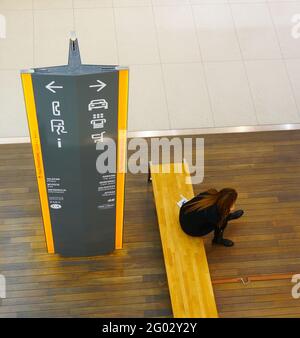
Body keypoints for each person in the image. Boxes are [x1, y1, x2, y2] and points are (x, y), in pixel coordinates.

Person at [179, 188, 244, 247]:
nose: (234, 205)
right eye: (233, 203)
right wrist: (226, 214)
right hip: (190, 229)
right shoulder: (214, 213)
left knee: (220, 218)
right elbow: (218, 221)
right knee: (222, 223)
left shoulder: (210, 192)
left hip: (183, 213)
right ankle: (218, 239)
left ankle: (228, 217)